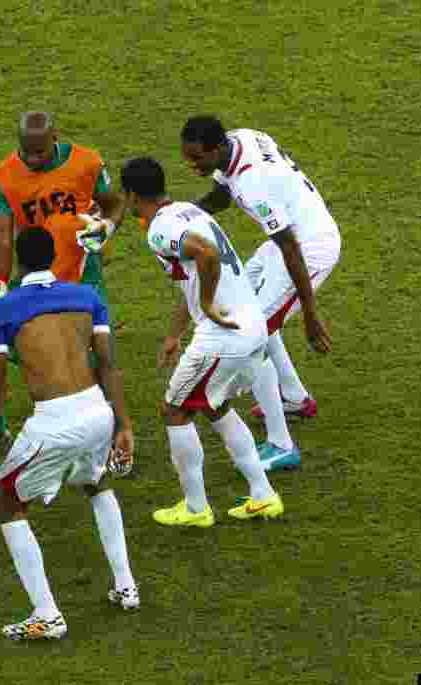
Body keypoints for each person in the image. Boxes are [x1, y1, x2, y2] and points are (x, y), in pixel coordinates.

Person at [0, 227, 137, 642]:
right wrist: (124, 425)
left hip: (54, 420)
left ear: (17, 262)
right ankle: (126, 585)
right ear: (53, 257)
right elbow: (108, 365)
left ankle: (47, 614)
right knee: (97, 482)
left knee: (9, 504)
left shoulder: (5, 307)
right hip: (97, 411)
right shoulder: (88, 297)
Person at [120, 157, 286, 526]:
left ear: (131, 195)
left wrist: (207, 304)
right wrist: (174, 334)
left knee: (174, 410)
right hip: (252, 326)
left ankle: (196, 508)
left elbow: (206, 256)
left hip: (223, 335)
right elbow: (191, 280)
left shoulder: (159, 229)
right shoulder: (189, 212)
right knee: (215, 405)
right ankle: (263, 495)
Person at [0, 111, 127, 468]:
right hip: (32, 270)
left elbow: (114, 202)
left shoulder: (87, 162)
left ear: (55, 138)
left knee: (97, 357)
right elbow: (3, 237)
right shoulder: (5, 175)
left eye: (40, 153)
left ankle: (116, 436)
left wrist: (107, 227)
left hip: (82, 272)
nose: (33, 160)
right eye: (26, 152)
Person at [181, 116, 341, 470]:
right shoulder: (241, 139)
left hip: (306, 248)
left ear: (217, 148)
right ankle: (294, 397)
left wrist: (311, 314)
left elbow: (290, 246)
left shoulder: (255, 183)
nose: (193, 166)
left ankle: (281, 444)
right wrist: (185, 214)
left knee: (252, 331)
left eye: (197, 159)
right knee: (247, 314)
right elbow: (223, 194)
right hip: (287, 239)